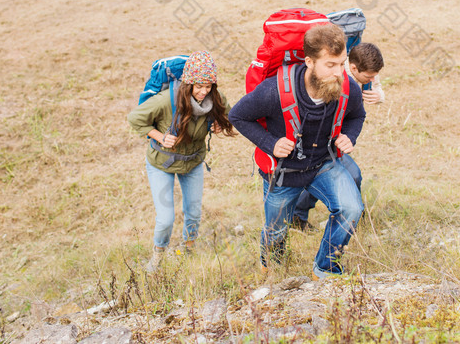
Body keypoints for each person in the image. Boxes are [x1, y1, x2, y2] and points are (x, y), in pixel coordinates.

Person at [229, 23, 367, 279]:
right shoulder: (273, 91)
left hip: (323, 163)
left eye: (342, 63)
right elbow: (237, 115)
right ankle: (272, 268)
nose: (339, 73)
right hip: (284, 172)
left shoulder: (347, 86)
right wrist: (271, 144)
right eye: (330, 65)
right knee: (276, 232)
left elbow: (357, 114)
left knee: (351, 208)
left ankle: (326, 269)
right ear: (309, 62)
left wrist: (350, 136)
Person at [127, 51, 234, 273]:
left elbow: (230, 113)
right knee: (166, 219)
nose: (204, 91)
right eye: (199, 86)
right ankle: (158, 256)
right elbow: (135, 118)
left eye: (208, 86)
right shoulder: (167, 101)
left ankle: (188, 248)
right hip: (162, 164)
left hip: (193, 162)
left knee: (193, 212)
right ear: (188, 83)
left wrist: (219, 124)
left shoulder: (214, 98)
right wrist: (159, 136)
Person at [292, 42, 385, 231]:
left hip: (337, 140)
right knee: (348, 175)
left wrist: (380, 96)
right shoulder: (335, 81)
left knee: (335, 175)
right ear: (353, 68)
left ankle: (346, 215)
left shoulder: (364, 72)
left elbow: (372, 94)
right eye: (369, 76)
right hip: (322, 141)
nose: (372, 79)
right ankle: (348, 216)